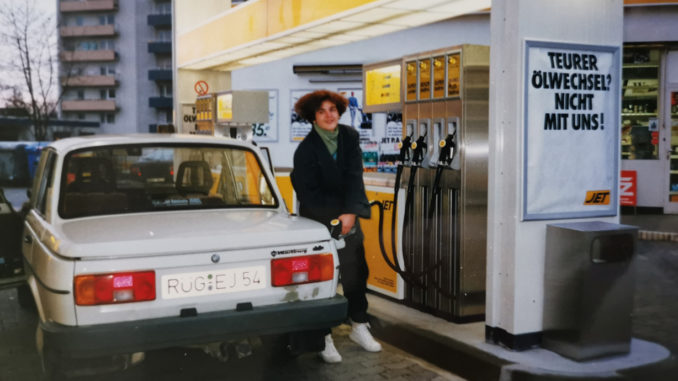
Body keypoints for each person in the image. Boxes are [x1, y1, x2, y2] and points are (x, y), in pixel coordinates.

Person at [290, 90, 382, 363]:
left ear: (340, 111)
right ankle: (323, 336)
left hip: (348, 217)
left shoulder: (350, 137)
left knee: (356, 273)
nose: (329, 115)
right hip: (318, 220)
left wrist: (350, 213)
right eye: (321, 111)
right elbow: (308, 194)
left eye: (332, 109)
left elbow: (356, 177)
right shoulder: (305, 150)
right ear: (313, 117)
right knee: (324, 278)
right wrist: (336, 219)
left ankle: (359, 325)